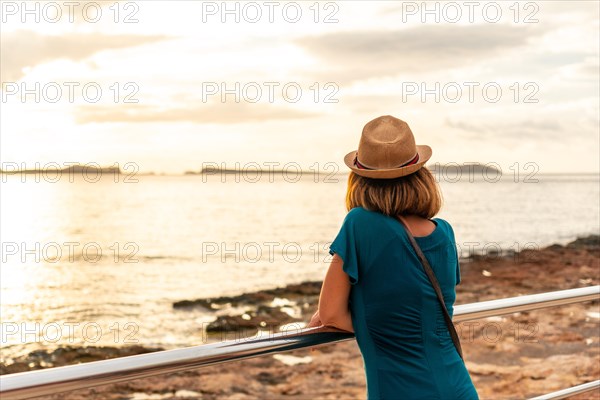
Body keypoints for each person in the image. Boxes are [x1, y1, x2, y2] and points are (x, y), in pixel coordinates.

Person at [308, 115, 479, 399]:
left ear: (358, 178)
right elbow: (426, 307)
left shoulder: (359, 223)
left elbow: (331, 315)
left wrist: (370, 323)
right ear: (421, 176)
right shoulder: (444, 232)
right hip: (458, 387)